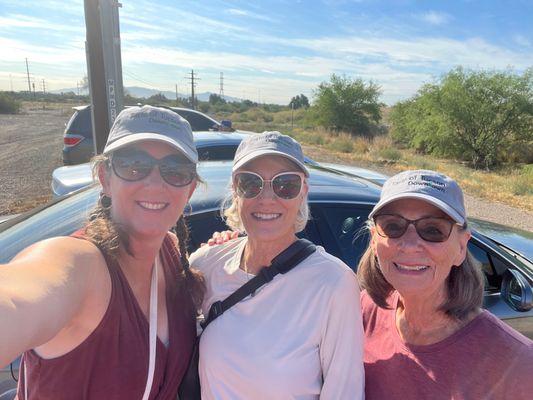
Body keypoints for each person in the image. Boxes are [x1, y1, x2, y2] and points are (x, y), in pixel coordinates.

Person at [0, 106, 204, 399]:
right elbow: (18, 298)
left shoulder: (171, 255)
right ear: (105, 178)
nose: (155, 183)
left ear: (191, 189)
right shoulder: (80, 263)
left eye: (175, 171)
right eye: (134, 165)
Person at [190, 132, 365, 399]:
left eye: (285, 185)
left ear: (303, 191)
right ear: (235, 190)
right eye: (251, 183)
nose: (267, 198)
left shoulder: (333, 282)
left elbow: (345, 391)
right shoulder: (206, 264)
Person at [358, 169, 533, 399]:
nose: (410, 245)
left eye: (432, 230)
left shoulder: (516, 363)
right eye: (393, 227)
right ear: (374, 240)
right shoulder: (365, 310)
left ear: (461, 247)